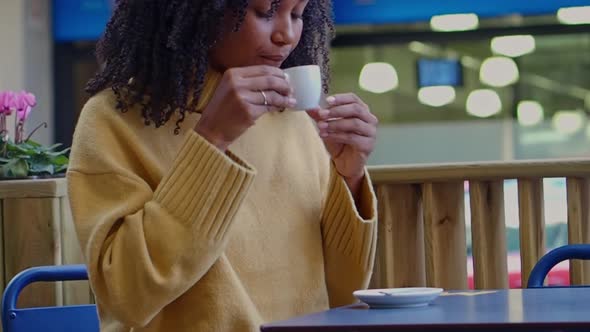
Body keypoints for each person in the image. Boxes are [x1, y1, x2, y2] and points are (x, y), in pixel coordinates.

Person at [67, 0, 379, 331]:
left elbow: (345, 290)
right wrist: (212, 140)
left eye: (297, 14)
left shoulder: (292, 120)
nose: (287, 34)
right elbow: (126, 295)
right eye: (266, 12)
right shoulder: (112, 121)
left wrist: (349, 178)